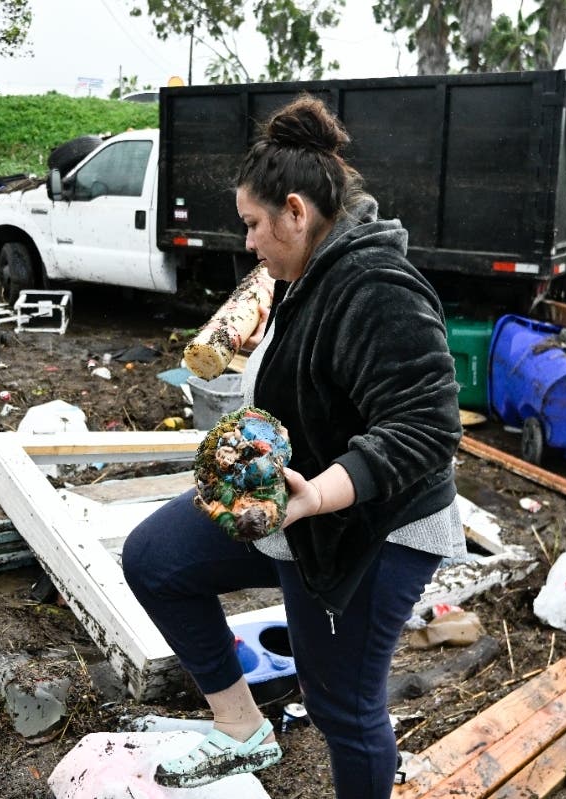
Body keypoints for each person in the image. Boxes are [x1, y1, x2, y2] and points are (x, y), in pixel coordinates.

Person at [121, 95, 465, 798]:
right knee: (155, 558)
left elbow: (428, 427)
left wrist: (322, 492)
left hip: (371, 526)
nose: (246, 242)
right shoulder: (303, 270)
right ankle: (242, 727)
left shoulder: (377, 286)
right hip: (293, 505)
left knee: (344, 707)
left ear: (296, 211)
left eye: (252, 224)